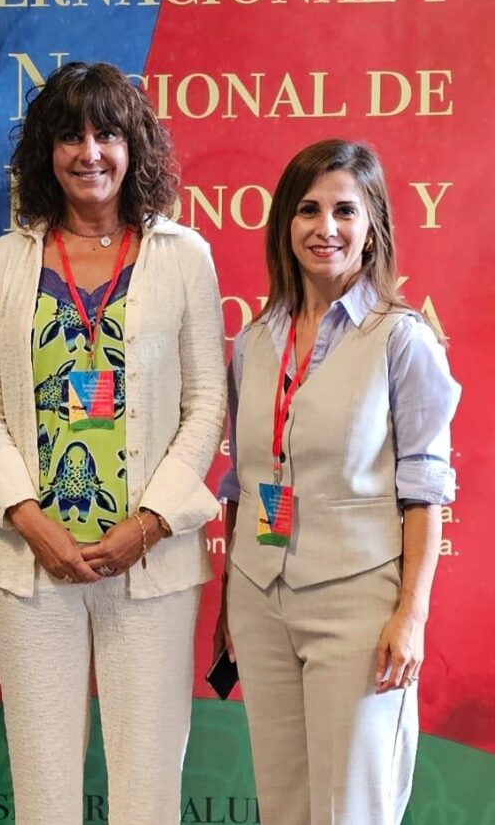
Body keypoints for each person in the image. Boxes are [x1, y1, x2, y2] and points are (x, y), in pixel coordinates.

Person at [0, 61, 226, 825]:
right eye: (69, 135)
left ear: (133, 145)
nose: (89, 151)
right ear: (45, 151)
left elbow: (206, 400)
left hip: (149, 564)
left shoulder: (183, 257)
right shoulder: (4, 260)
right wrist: (29, 519)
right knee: (45, 796)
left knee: (147, 793)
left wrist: (147, 525)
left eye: (107, 132)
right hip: (30, 565)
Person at [214, 140, 461, 825]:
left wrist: (411, 614)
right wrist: (233, 598)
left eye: (344, 210)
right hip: (262, 605)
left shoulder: (402, 339)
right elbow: (245, 477)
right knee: (284, 807)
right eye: (308, 209)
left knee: (352, 810)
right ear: (284, 227)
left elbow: (426, 489)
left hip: (358, 610)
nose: (326, 227)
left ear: (373, 224)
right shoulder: (253, 342)